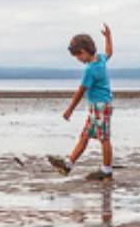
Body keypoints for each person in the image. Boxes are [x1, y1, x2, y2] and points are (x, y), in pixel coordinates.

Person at [49, 23, 116, 181]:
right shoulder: (100, 59)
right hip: (97, 106)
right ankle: (67, 165)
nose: (78, 60)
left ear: (84, 52)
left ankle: (107, 171)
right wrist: (108, 37)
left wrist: (69, 110)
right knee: (84, 136)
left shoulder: (90, 70)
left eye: (78, 56)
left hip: (101, 106)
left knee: (104, 139)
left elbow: (80, 92)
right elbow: (109, 52)